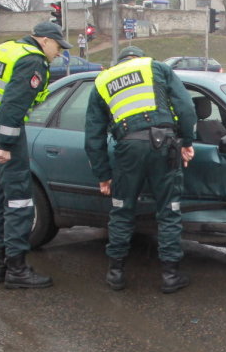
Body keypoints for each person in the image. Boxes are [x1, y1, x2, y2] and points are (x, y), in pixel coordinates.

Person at [84, 46, 197, 293]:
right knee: (169, 211)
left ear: (120, 61)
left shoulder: (103, 80)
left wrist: (103, 175)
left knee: (122, 211)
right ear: (139, 57)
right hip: (164, 146)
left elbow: (93, 136)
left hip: (128, 148)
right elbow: (186, 108)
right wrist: (187, 142)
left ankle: (115, 274)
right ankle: (170, 276)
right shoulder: (155, 67)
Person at [0, 21, 70, 288]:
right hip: (6, 133)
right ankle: (17, 270)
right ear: (45, 40)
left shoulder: (4, 50)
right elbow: (13, 106)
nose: (58, 53)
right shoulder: (32, 60)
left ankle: (1, 265)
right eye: (58, 46)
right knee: (19, 202)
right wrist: (5, 144)